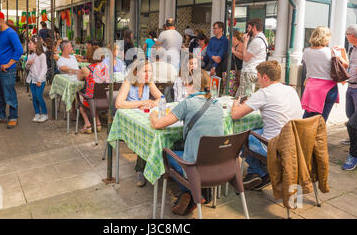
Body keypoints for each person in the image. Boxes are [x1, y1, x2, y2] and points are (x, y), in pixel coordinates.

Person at [150, 69, 225, 215]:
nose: (184, 85)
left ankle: (191, 192)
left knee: (165, 153)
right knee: (186, 150)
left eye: (186, 82)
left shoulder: (187, 103)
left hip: (194, 165)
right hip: (217, 164)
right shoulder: (218, 104)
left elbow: (158, 124)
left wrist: (153, 114)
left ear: (192, 84)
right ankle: (194, 194)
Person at [231, 60, 302, 190]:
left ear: (265, 77)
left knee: (239, 138)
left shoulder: (264, 93)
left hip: (274, 146)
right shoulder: (291, 90)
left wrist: (236, 103)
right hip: (295, 143)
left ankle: (260, 172)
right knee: (256, 131)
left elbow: (235, 115)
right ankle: (258, 172)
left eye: (258, 77)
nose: (258, 81)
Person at [115, 60, 163, 187]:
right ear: (136, 72)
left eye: (150, 71)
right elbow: (119, 104)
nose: (148, 74)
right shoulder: (128, 82)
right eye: (145, 71)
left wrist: (153, 103)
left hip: (142, 120)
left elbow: (162, 98)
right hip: (127, 124)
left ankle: (153, 165)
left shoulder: (149, 83)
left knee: (153, 131)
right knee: (147, 134)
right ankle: (140, 170)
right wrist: (141, 103)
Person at [301, 26, 348, 122]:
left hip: (311, 87)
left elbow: (308, 66)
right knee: (321, 120)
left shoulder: (306, 51)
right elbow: (345, 65)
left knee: (307, 118)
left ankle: (304, 135)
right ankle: (317, 137)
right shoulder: (331, 51)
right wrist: (343, 51)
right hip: (328, 88)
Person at [0, 11, 24, 129]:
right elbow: (1, 49)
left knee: (9, 94)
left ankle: (13, 117)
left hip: (7, 70)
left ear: (0, 20)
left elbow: (19, 50)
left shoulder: (11, 33)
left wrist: (8, 64)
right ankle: (0, 115)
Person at [77, 45, 110, 133]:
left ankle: (87, 124)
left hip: (91, 100)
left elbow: (79, 78)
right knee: (93, 97)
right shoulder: (106, 67)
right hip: (105, 100)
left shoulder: (86, 69)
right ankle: (98, 123)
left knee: (80, 103)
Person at [235, 18, 268, 98]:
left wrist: (245, 42)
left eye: (249, 27)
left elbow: (246, 58)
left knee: (244, 98)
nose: (247, 30)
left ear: (254, 27)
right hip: (254, 71)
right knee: (238, 97)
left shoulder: (257, 41)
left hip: (249, 72)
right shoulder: (263, 39)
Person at [26, 37, 48, 123]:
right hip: (32, 79)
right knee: (34, 97)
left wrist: (39, 80)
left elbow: (44, 69)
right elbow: (27, 68)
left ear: (35, 45)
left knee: (39, 96)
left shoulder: (42, 55)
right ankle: (37, 113)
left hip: (40, 80)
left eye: (30, 43)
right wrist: (28, 63)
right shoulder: (30, 55)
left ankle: (45, 113)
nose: (28, 45)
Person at [220, 30, 244, 96]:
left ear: (235, 37)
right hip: (227, 71)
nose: (228, 38)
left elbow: (243, 57)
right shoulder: (231, 46)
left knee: (230, 92)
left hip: (234, 72)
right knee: (227, 91)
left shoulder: (241, 45)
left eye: (230, 37)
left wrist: (234, 52)